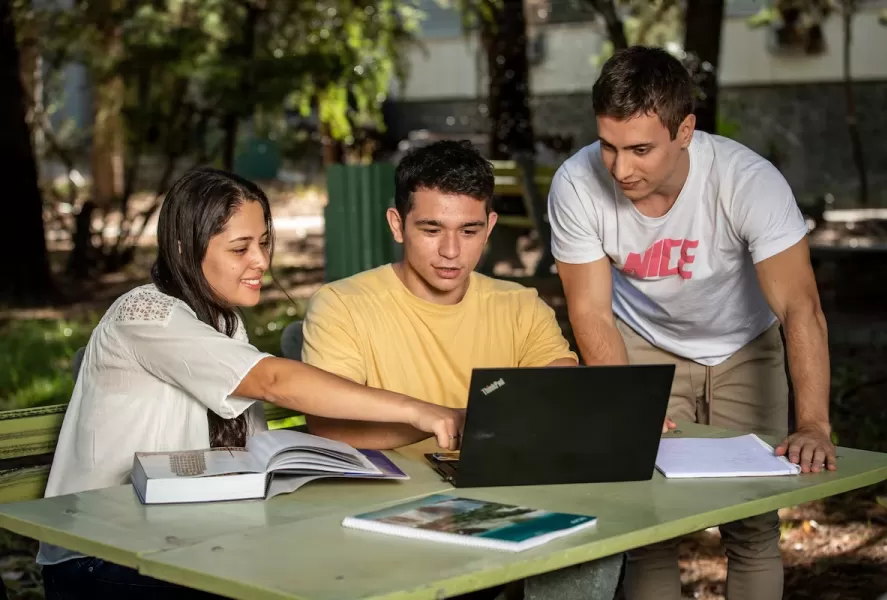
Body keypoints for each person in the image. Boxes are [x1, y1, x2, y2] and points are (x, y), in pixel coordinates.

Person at [36, 167, 463, 599]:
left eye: (262, 243)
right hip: (100, 555)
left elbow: (254, 455)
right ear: (185, 248)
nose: (260, 260)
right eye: (240, 248)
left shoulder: (224, 323)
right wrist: (418, 409)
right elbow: (274, 380)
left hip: (186, 543)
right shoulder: (146, 314)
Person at [547, 46, 835, 600]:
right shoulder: (577, 183)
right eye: (608, 146)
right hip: (642, 346)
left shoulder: (748, 180)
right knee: (648, 528)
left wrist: (815, 423)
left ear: (684, 131)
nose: (621, 168)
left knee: (751, 528)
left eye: (640, 149)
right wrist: (629, 408)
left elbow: (800, 307)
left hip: (744, 348)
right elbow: (588, 312)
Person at [300, 140, 579, 460]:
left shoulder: (521, 307)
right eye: (432, 230)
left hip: (502, 482)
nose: (451, 251)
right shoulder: (342, 306)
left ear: (489, 228)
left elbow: (561, 396)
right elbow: (331, 425)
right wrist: (448, 421)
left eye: (468, 231)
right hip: (391, 496)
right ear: (397, 225)